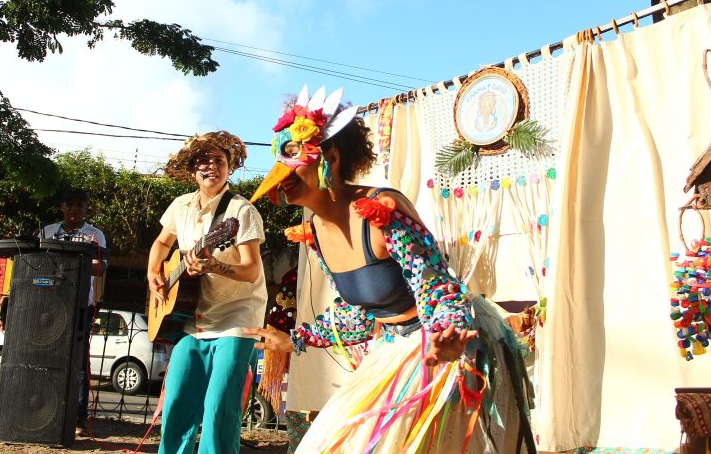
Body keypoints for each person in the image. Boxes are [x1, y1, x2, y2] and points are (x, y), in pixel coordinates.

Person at [244, 86, 536, 454]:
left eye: (291, 155)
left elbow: (440, 289)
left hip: (440, 346)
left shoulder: (380, 212)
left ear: (330, 159)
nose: (280, 173)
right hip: (394, 346)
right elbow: (361, 315)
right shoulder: (315, 232)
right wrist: (295, 340)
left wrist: (446, 341)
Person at [147, 131, 267, 454]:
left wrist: (214, 266)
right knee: (176, 404)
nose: (212, 166)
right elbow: (161, 243)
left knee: (217, 410)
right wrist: (152, 274)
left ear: (229, 169)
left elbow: (252, 269)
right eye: (204, 160)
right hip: (191, 319)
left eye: (220, 161)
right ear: (192, 170)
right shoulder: (180, 206)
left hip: (237, 317)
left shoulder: (240, 212)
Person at [42, 187, 107, 438]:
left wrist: (67, 262)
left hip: (81, 304)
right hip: (47, 303)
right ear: (62, 207)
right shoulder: (47, 231)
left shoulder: (94, 235)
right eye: (69, 204)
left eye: (79, 205)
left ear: (85, 209)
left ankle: (78, 416)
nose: (74, 209)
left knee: (79, 361)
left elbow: (99, 267)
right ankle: (45, 409)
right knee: (45, 356)